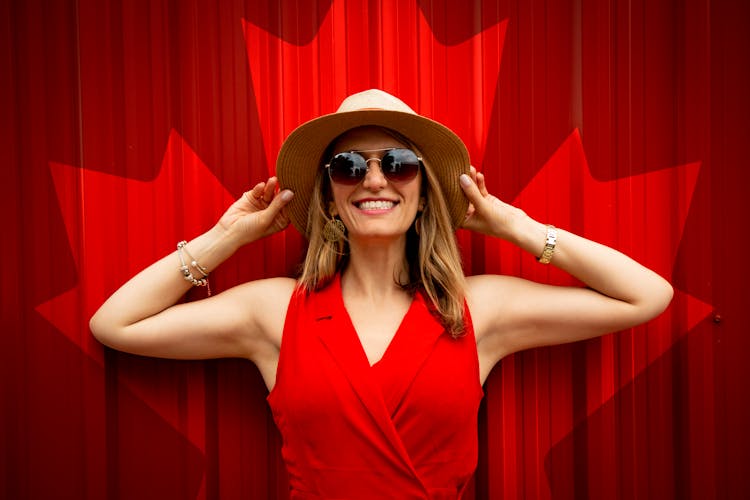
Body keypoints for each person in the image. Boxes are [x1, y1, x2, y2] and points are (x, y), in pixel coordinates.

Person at [90, 89, 673, 498]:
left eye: (398, 163)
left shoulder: (478, 310)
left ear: (424, 191)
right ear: (328, 195)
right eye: (348, 166)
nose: (374, 179)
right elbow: (116, 325)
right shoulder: (275, 311)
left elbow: (645, 296)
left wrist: (515, 227)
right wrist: (225, 238)